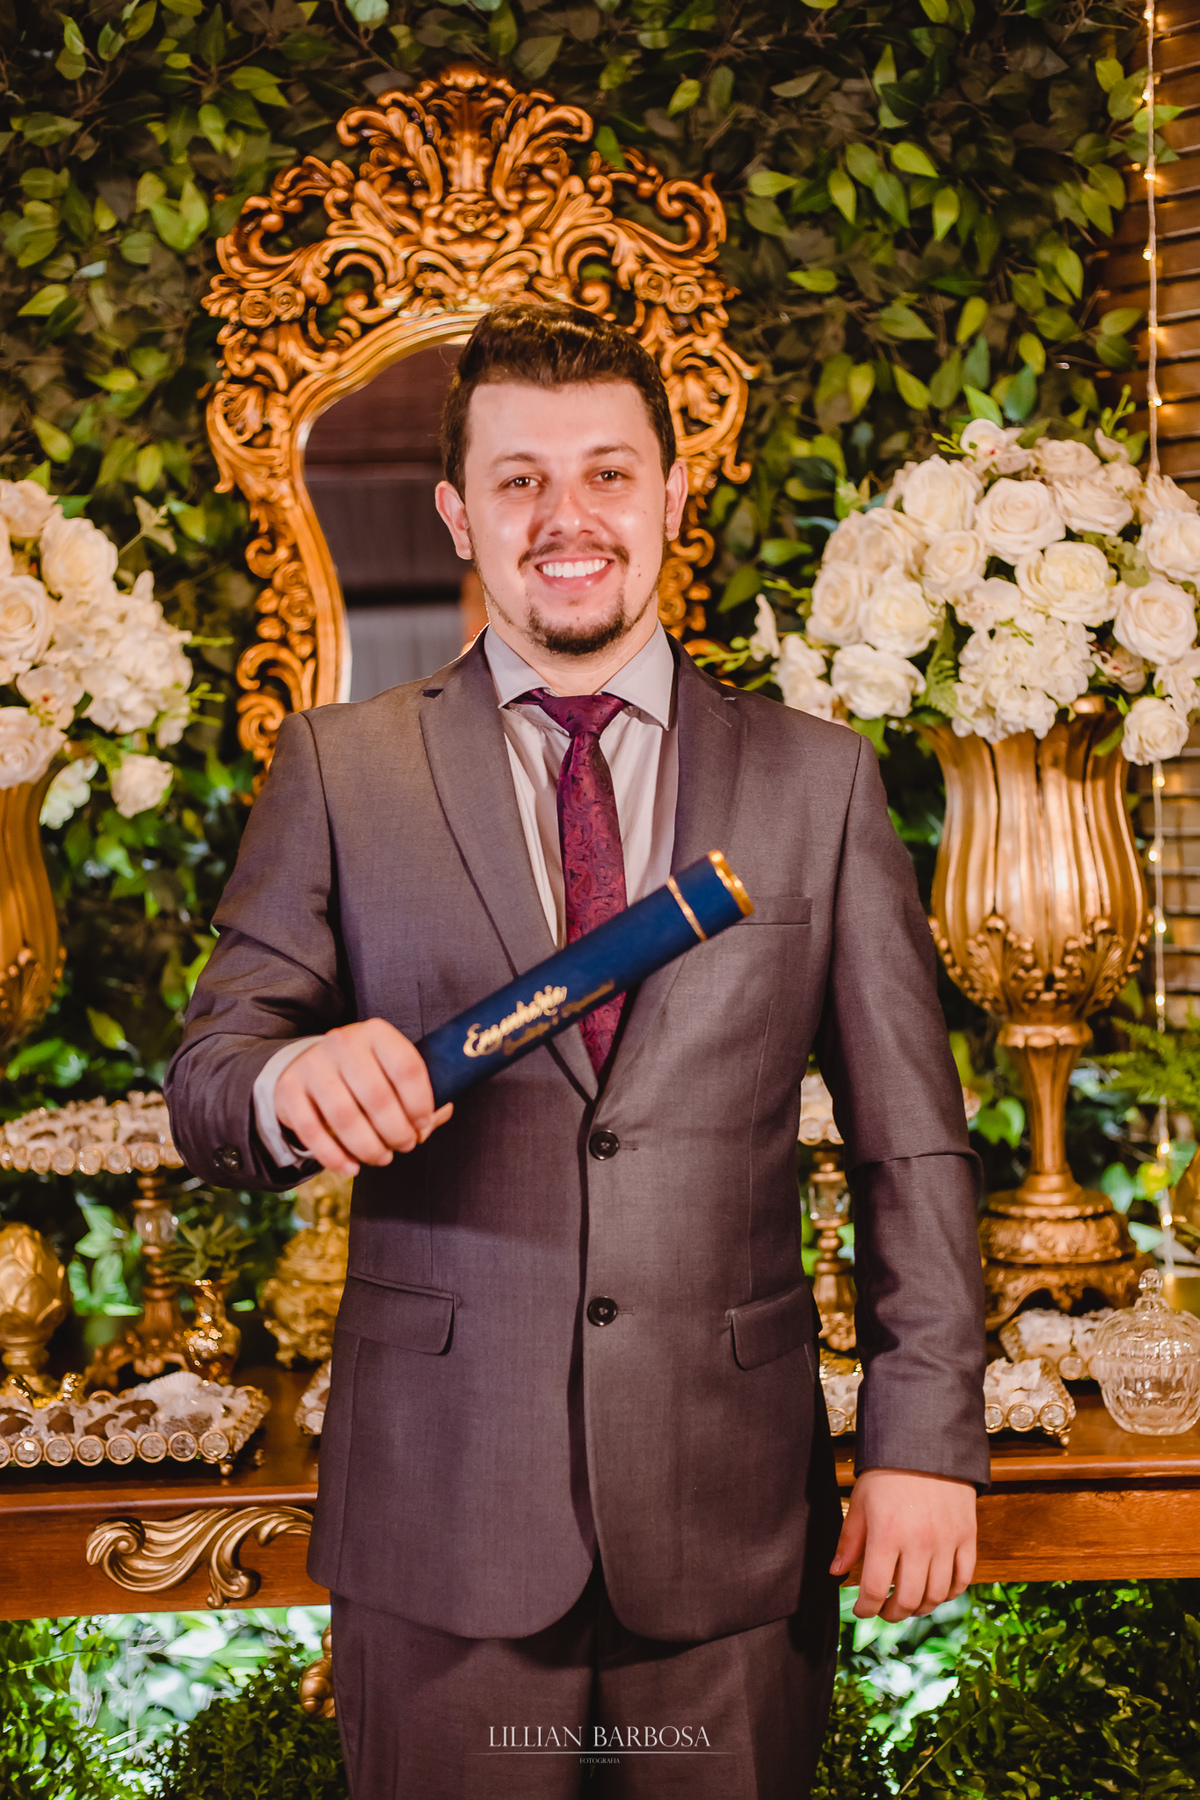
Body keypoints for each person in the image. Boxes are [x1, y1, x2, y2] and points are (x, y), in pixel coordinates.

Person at [165, 300, 988, 1800]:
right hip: (441, 1519)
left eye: (609, 472)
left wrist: (924, 1437)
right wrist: (289, 1081)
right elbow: (213, 1073)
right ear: (457, 516)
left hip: (734, 1519)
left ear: (673, 496)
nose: (568, 517)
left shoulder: (816, 780)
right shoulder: (343, 768)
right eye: (520, 479)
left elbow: (909, 1142)